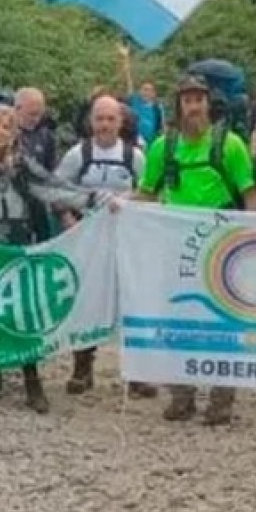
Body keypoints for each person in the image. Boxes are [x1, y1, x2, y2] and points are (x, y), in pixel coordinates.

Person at [0, 103, 105, 414]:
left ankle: (33, 382)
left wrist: (95, 199)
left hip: (14, 248)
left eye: (7, 126)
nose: (1, 132)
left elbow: (53, 189)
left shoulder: (21, 166)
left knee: (21, 315)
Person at [135, 73, 256, 425]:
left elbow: (250, 194)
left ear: (208, 103)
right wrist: (122, 207)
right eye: (187, 100)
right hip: (176, 248)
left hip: (222, 247)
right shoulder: (164, 146)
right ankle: (182, 396)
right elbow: (146, 192)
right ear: (178, 105)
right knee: (179, 318)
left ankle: (221, 400)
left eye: (199, 99)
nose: (193, 106)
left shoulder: (230, 144)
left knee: (224, 319)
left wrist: (251, 237)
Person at [54, 94, 154, 398]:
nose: (105, 124)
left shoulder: (135, 156)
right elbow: (56, 190)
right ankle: (82, 370)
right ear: (91, 121)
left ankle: (137, 373)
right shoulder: (77, 154)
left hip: (127, 241)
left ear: (121, 122)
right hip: (88, 241)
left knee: (133, 303)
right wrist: (68, 220)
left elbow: (151, 193)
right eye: (99, 118)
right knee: (87, 301)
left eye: (111, 119)